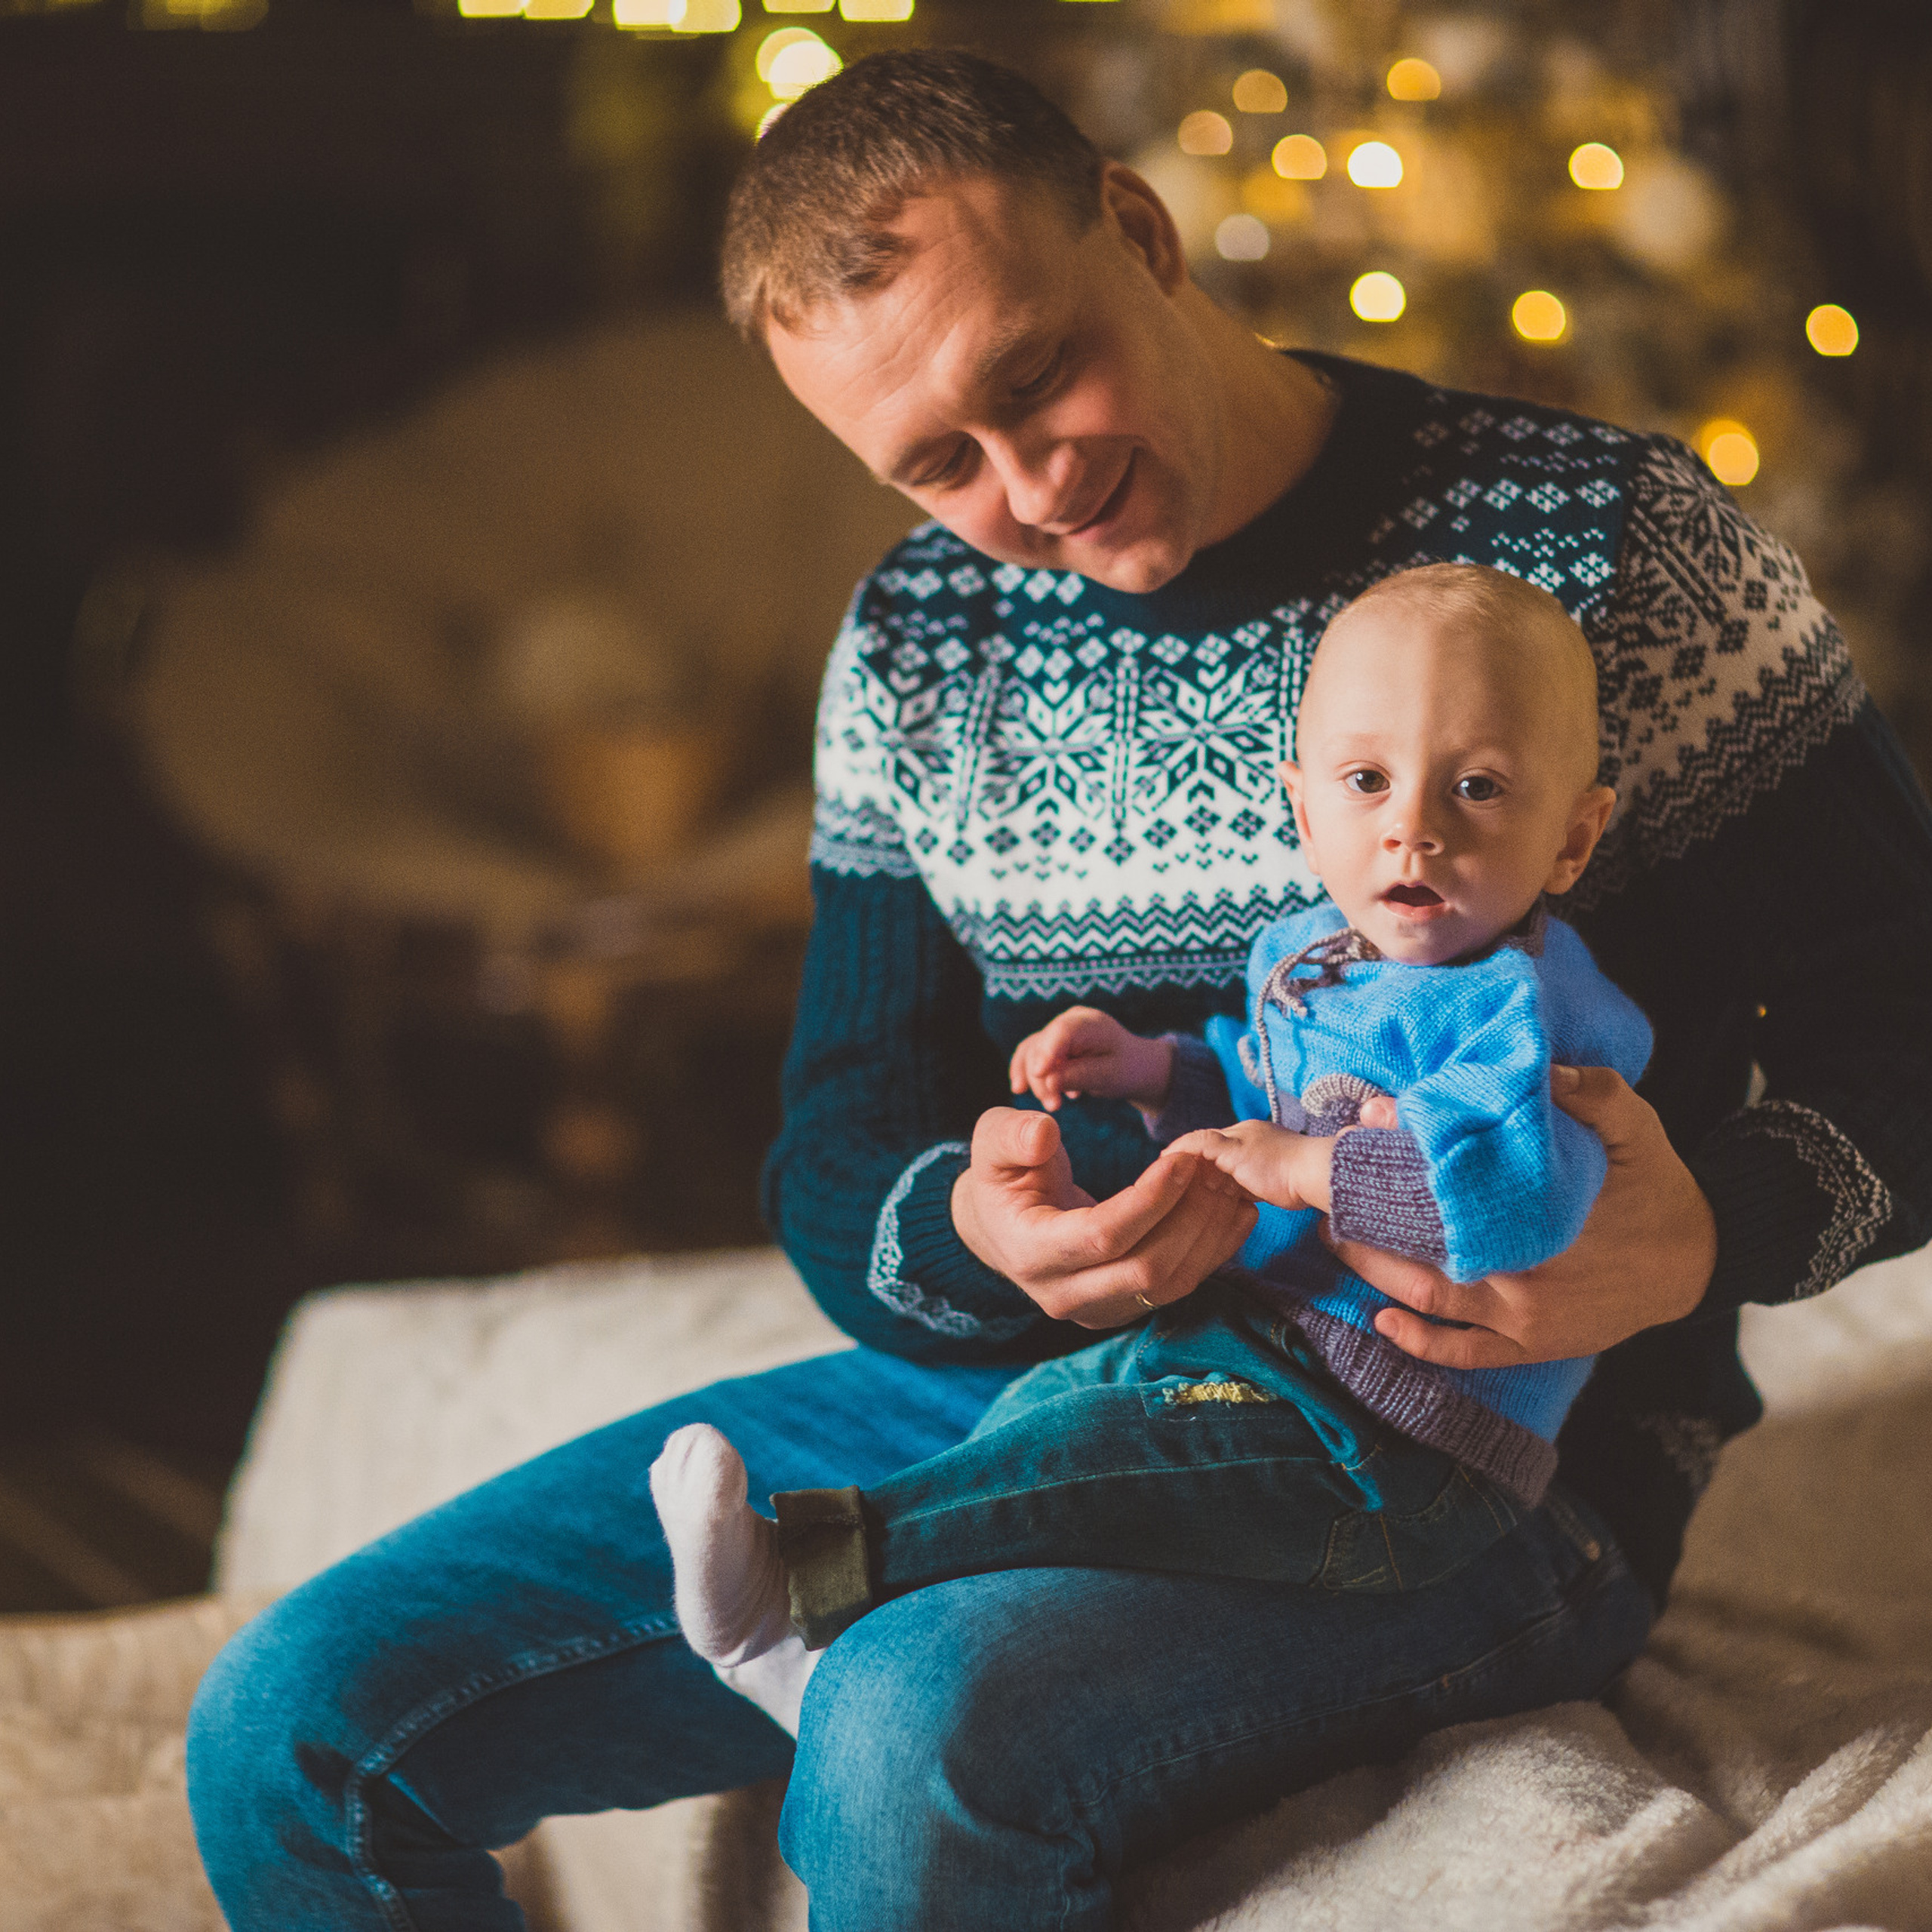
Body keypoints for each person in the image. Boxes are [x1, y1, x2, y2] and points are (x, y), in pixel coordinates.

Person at [184, 49, 1932, 1932]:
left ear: (1134, 224)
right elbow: (843, 1133)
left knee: (905, 1725)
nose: (1028, 484)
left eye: (1031, 378)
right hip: (1039, 1396)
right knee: (295, 1729)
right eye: (936, 463)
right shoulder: (921, 647)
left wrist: (1707, 1228)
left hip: (1460, 1467)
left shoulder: (1608, 546)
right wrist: (966, 1229)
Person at [648, 561, 1655, 1722]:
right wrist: (1146, 1068)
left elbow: (1525, 1195)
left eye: (1476, 788)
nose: (1412, 830)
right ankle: (816, 1656)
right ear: (1304, 805)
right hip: (1264, 1352)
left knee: (1102, 1466)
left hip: (1410, 1450)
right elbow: (1257, 1074)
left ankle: (800, 1579)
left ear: (1573, 839)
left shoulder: (1527, 1015)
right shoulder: (1313, 950)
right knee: (1053, 1406)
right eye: (1367, 782)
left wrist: (1306, 1170)